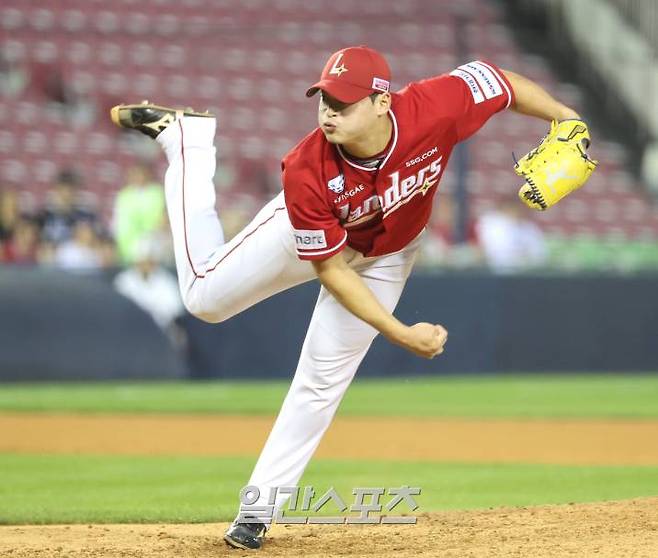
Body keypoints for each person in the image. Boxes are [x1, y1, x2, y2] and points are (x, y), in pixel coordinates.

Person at [111, 46, 585, 550]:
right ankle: (188, 143)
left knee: (321, 380)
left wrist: (567, 117)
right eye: (324, 101)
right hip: (306, 238)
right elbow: (332, 272)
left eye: (344, 102)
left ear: (382, 102)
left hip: (390, 253)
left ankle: (257, 512)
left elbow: (500, 81)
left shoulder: (433, 106)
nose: (329, 112)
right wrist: (401, 333)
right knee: (204, 298)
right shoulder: (305, 167)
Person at [477, 198, 548, 273]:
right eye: (513, 208)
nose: (517, 212)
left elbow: (539, 255)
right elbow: (494, 253)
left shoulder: (530, 228)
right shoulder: (491, 224)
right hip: (497, 273)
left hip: (526, 275)